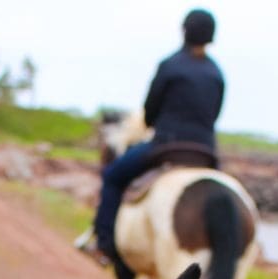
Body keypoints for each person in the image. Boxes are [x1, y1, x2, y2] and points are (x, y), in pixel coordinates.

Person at [90, 8, 225, 264]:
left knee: (112, 177)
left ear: (184, 31)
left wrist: (156, 124)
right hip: (206, 152)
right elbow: (215, 114)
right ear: (211, 37)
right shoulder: (216, 73)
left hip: (167, 145)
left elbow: (150, 111)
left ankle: (104, 243)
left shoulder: (170, 65)